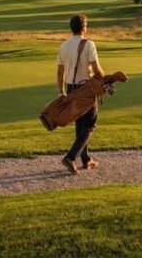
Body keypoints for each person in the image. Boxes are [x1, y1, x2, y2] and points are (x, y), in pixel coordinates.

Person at [57, 14, 104, 175]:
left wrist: (61, 91)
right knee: (90, 125)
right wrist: (104, 79)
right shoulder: (89, 44)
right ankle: (70, 157)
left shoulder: (64, 46)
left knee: (80, 125)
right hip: (86, 89)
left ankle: (86, 159)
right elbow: (96, 69)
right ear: (84, 27)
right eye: (87, 25)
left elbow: (60, 72)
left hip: (71, 88)